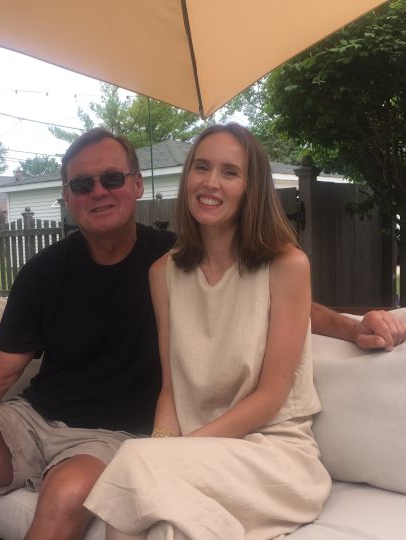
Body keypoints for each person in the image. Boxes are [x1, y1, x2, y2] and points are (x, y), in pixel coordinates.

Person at [0, 127, 406, 540]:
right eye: (82, 185)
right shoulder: (77, 271)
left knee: (85, 499)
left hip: (114, 437)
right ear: (67, 198)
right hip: (37, 418)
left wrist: (351, 325)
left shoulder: (176, 255)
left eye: (111, 178)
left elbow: (271, 306)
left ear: (137, 185)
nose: (99, 191)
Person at [84, 123, 332, 539]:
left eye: (229, 172)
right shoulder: (163, 273)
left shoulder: (287, 266)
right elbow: (170, 391)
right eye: (201, 167)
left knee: (134, 464)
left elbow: (270, 397)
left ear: (251, 187)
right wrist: (164, 447)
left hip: (273, 458)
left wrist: (171, 453)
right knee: (163, 523)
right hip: (197, 459)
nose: (211, 182)